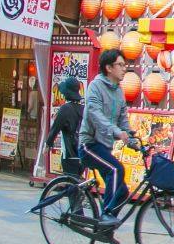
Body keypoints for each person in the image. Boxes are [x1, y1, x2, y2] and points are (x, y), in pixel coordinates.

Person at [79, 49, 133, 230]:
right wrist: (116, 132)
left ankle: (106, 227)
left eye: (125, 65)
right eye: (120, 65)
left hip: (104, 147)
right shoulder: (95, 86)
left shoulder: (119, 92)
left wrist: (135, 141)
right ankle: (106, 215)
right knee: (117, 169)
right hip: (89, 145)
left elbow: (124, 120)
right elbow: (95, 114)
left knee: (124, 192)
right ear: (108, 67)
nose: (124, 69)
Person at [47, 77, 85, 179]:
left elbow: (55, 128)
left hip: (69, 153)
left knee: (70, 181)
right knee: (77, 182)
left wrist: (48, 144)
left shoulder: (65, 109)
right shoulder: (83, 109)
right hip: (82, 152)